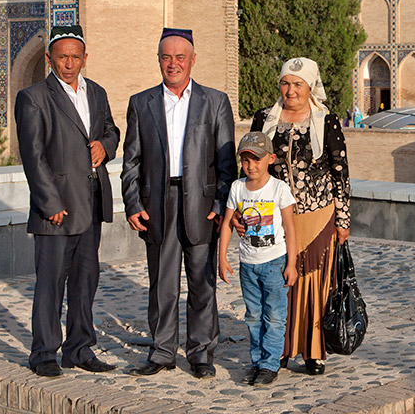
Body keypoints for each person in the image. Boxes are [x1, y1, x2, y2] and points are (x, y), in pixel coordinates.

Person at [121, 28, 236, 379]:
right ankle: (162, 351)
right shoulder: (141, 103)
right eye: (166, 57)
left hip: (201, 205)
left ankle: (201, 353)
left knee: (202, 283)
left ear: (192, 60)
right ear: (158, 60)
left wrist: (220, 202)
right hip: (158, 202)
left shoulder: (214, 101)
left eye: (180, 57)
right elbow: (131, 161)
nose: (173, 64)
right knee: (162, 282)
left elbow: (226, 162)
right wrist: (131, 203)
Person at [15, 25, 120, 377]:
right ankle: (44, 353)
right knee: (50, 284)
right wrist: (49, 203)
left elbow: (111, 130)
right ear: (50, 59)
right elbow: (33, 156)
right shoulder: (34, 98)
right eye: (62, 57)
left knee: (85, 280)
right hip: (56, 209)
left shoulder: (97, 93)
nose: (69, 64)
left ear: (85, 59)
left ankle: (79, 348)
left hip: (90, 203)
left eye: (76, 57)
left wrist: (105, 146)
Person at [247, 57, 351, 376]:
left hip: (318, 215)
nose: (290, 90)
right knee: (277, 282)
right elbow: (251, 167)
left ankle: (313, 351)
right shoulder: (265, 119)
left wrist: (343, 219)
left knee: (314, 283)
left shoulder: (325, 120)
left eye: (298, 84)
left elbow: (340, 172)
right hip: (276, 217)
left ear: (310, 88)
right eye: (285, 83)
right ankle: (277, 348)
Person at [218, 132, 298, 386]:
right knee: (253, 315)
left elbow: (290, 228)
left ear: (270, 159)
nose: (251, 166)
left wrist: (292, 264)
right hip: (247, 264)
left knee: (274, 316)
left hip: (274, 262)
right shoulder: (237, 187)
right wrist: (222, 257)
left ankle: (270, 363)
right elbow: (227, 224)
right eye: (246, 160)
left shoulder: (279, 188)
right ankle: (257, 360)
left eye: (257, 160)